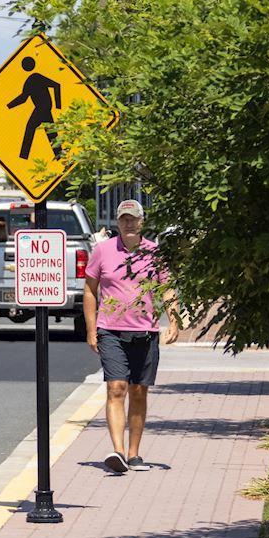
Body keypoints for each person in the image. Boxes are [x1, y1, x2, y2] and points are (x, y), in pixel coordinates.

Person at [84, 200, 182, 474]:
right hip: (111, 330)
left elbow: (168, 289)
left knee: (139, 392)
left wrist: (175, 322)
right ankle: (117, 452)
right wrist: (91, 329)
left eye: (133, 219)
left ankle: (134, 454)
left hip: (145, 331)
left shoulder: (154, 253)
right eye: (124, 219)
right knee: (116, 388)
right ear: (117, 222)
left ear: (141, 222)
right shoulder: (102, 251)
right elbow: (90, 290)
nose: (129, 223)